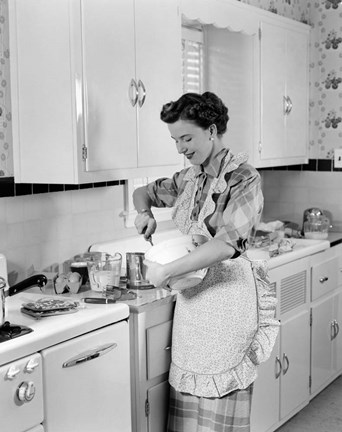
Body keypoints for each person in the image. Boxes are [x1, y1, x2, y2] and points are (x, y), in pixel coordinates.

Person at [133, 92, 279, 432]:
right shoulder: (190, 178)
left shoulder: (243, 179)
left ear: (211, 130)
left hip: (229, 300)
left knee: (219, 410)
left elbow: (227, 245)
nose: (180, 148)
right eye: (175, 140)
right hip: (194, 304)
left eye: (187, 138)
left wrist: (167, 270)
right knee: (189, 407)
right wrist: (145, 214)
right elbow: (144, 193)